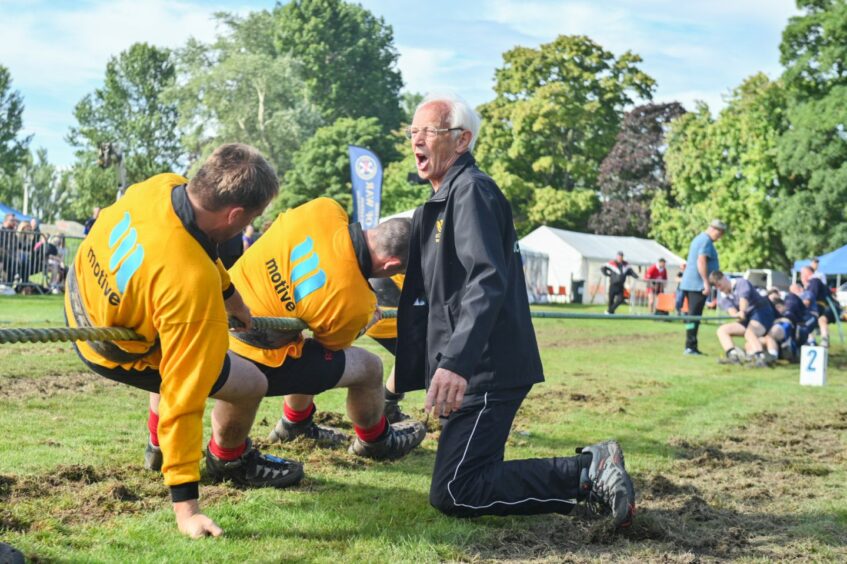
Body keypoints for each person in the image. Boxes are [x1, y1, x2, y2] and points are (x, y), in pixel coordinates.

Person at [395, 93, 635, 527]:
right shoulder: (436, 204)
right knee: (464, 480)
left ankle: (588, 472)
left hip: (487, 370)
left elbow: (487, 279)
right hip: (470, 371)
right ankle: (586, 474)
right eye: (413, 132)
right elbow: (434, 300)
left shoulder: (471, 191)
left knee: (455, 490)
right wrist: (409, 374)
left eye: (428, 131)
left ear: (462, 140)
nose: (417, 140)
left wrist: (455, 364)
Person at [65, 144, 301, 539]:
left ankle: (156, 446)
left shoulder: (162, 186)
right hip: (107, 348)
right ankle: (230, 461)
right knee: (250, 383)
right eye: (252, 220)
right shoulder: (191, 287)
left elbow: (199, 246)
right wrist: (186, 509)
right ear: (236, 215)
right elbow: (182, 397)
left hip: (78, 300)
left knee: (177, 348)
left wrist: (231, 296)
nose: (247, 227)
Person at [219, 197, 425, 459]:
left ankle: (296, 424)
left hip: (221, 312)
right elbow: (331, 346)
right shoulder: (356, 303)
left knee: (301, 343)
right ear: (392, 266)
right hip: (249, 355)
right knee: (369, 367)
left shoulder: (325, 208)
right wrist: (366, 323)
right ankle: (376, 442)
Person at [365, 274, 410, 422]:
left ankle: (387, 406)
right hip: (388, 297)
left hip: (384, 293)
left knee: (413, 356)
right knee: (423, 356)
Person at [679, 220, 726, 355]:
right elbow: (701, 261)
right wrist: (706, 283)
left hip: (691, 284)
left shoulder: (698, 238)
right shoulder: (706, 241)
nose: (720, 237)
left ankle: (690, 345)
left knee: (691, 316)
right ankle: (690, 347)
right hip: (697, 285)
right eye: (720, 234)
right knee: (694, 317)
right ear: (715, 230)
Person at [710, 271, 776, 367]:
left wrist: (742, 312)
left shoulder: (741, 283)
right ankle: (733, 356)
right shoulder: (722, 298)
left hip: (761, 312)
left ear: (724, 278)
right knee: (722, 330)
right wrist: (737, 316)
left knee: (749, 333)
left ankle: (760, 358)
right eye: (716, 287)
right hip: (746, 318)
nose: (719, 288)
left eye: (719, 285)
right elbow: (732, 312)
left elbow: (743, 299)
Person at [765, 284, 809, 362]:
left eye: (775, 292)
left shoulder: (789, 300)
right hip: (774, 327)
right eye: (770, 293)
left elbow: (789, 314)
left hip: (786, 326)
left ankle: (775, 355)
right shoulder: (766, 305)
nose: (773, 295)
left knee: (772, 334)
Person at [800, 266, 839, 348]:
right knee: (812, 318)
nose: (801, 276)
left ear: (809, 273)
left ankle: (823, 340)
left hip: (830, 306)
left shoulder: (814, 281)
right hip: (823, 306)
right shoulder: (812, 283)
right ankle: (811, 340)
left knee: (820, 319)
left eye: (803, 273)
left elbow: (809, 299)